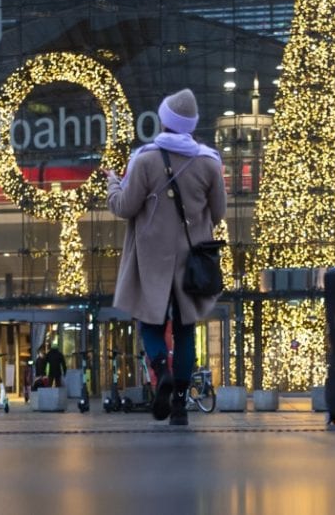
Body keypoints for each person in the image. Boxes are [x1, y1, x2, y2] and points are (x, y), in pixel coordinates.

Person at [105, 88, 227, 426]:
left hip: (151, 257)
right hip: (192, 260)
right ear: (191, 125)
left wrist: (114, 183)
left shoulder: (144, 159)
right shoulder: (208, 163)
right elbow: (218, 212)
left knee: (150, 323)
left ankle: (161, 370)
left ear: (164, 121)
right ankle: (179, 405)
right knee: (186, 329)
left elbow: (125, 207)